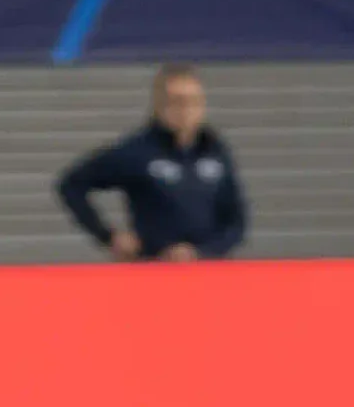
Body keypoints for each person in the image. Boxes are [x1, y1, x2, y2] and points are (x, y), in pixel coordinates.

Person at [57, 65, 248, 262]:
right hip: (154, 269)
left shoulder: (215, 151)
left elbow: (236, 221)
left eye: (194, 101)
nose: (187, 110)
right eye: (178, 102)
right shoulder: (138, 151)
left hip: (210, 271)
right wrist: (108, 236)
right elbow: (72, 184)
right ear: (159, 105)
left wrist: (203, 251)